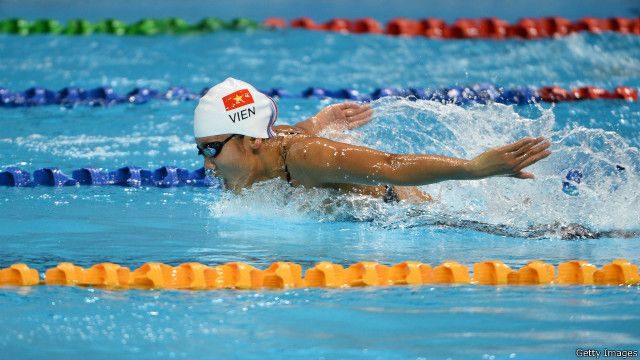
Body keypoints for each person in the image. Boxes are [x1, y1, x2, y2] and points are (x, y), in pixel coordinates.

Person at [194, 78, 551, 202]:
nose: (207, 164)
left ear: (252, 140)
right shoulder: (243, 163)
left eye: (212, 150)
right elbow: (289, 131)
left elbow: (389, 166)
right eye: (202, 150)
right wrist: (320, 120)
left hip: (401, 209)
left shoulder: (304, 156)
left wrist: (474, 169)